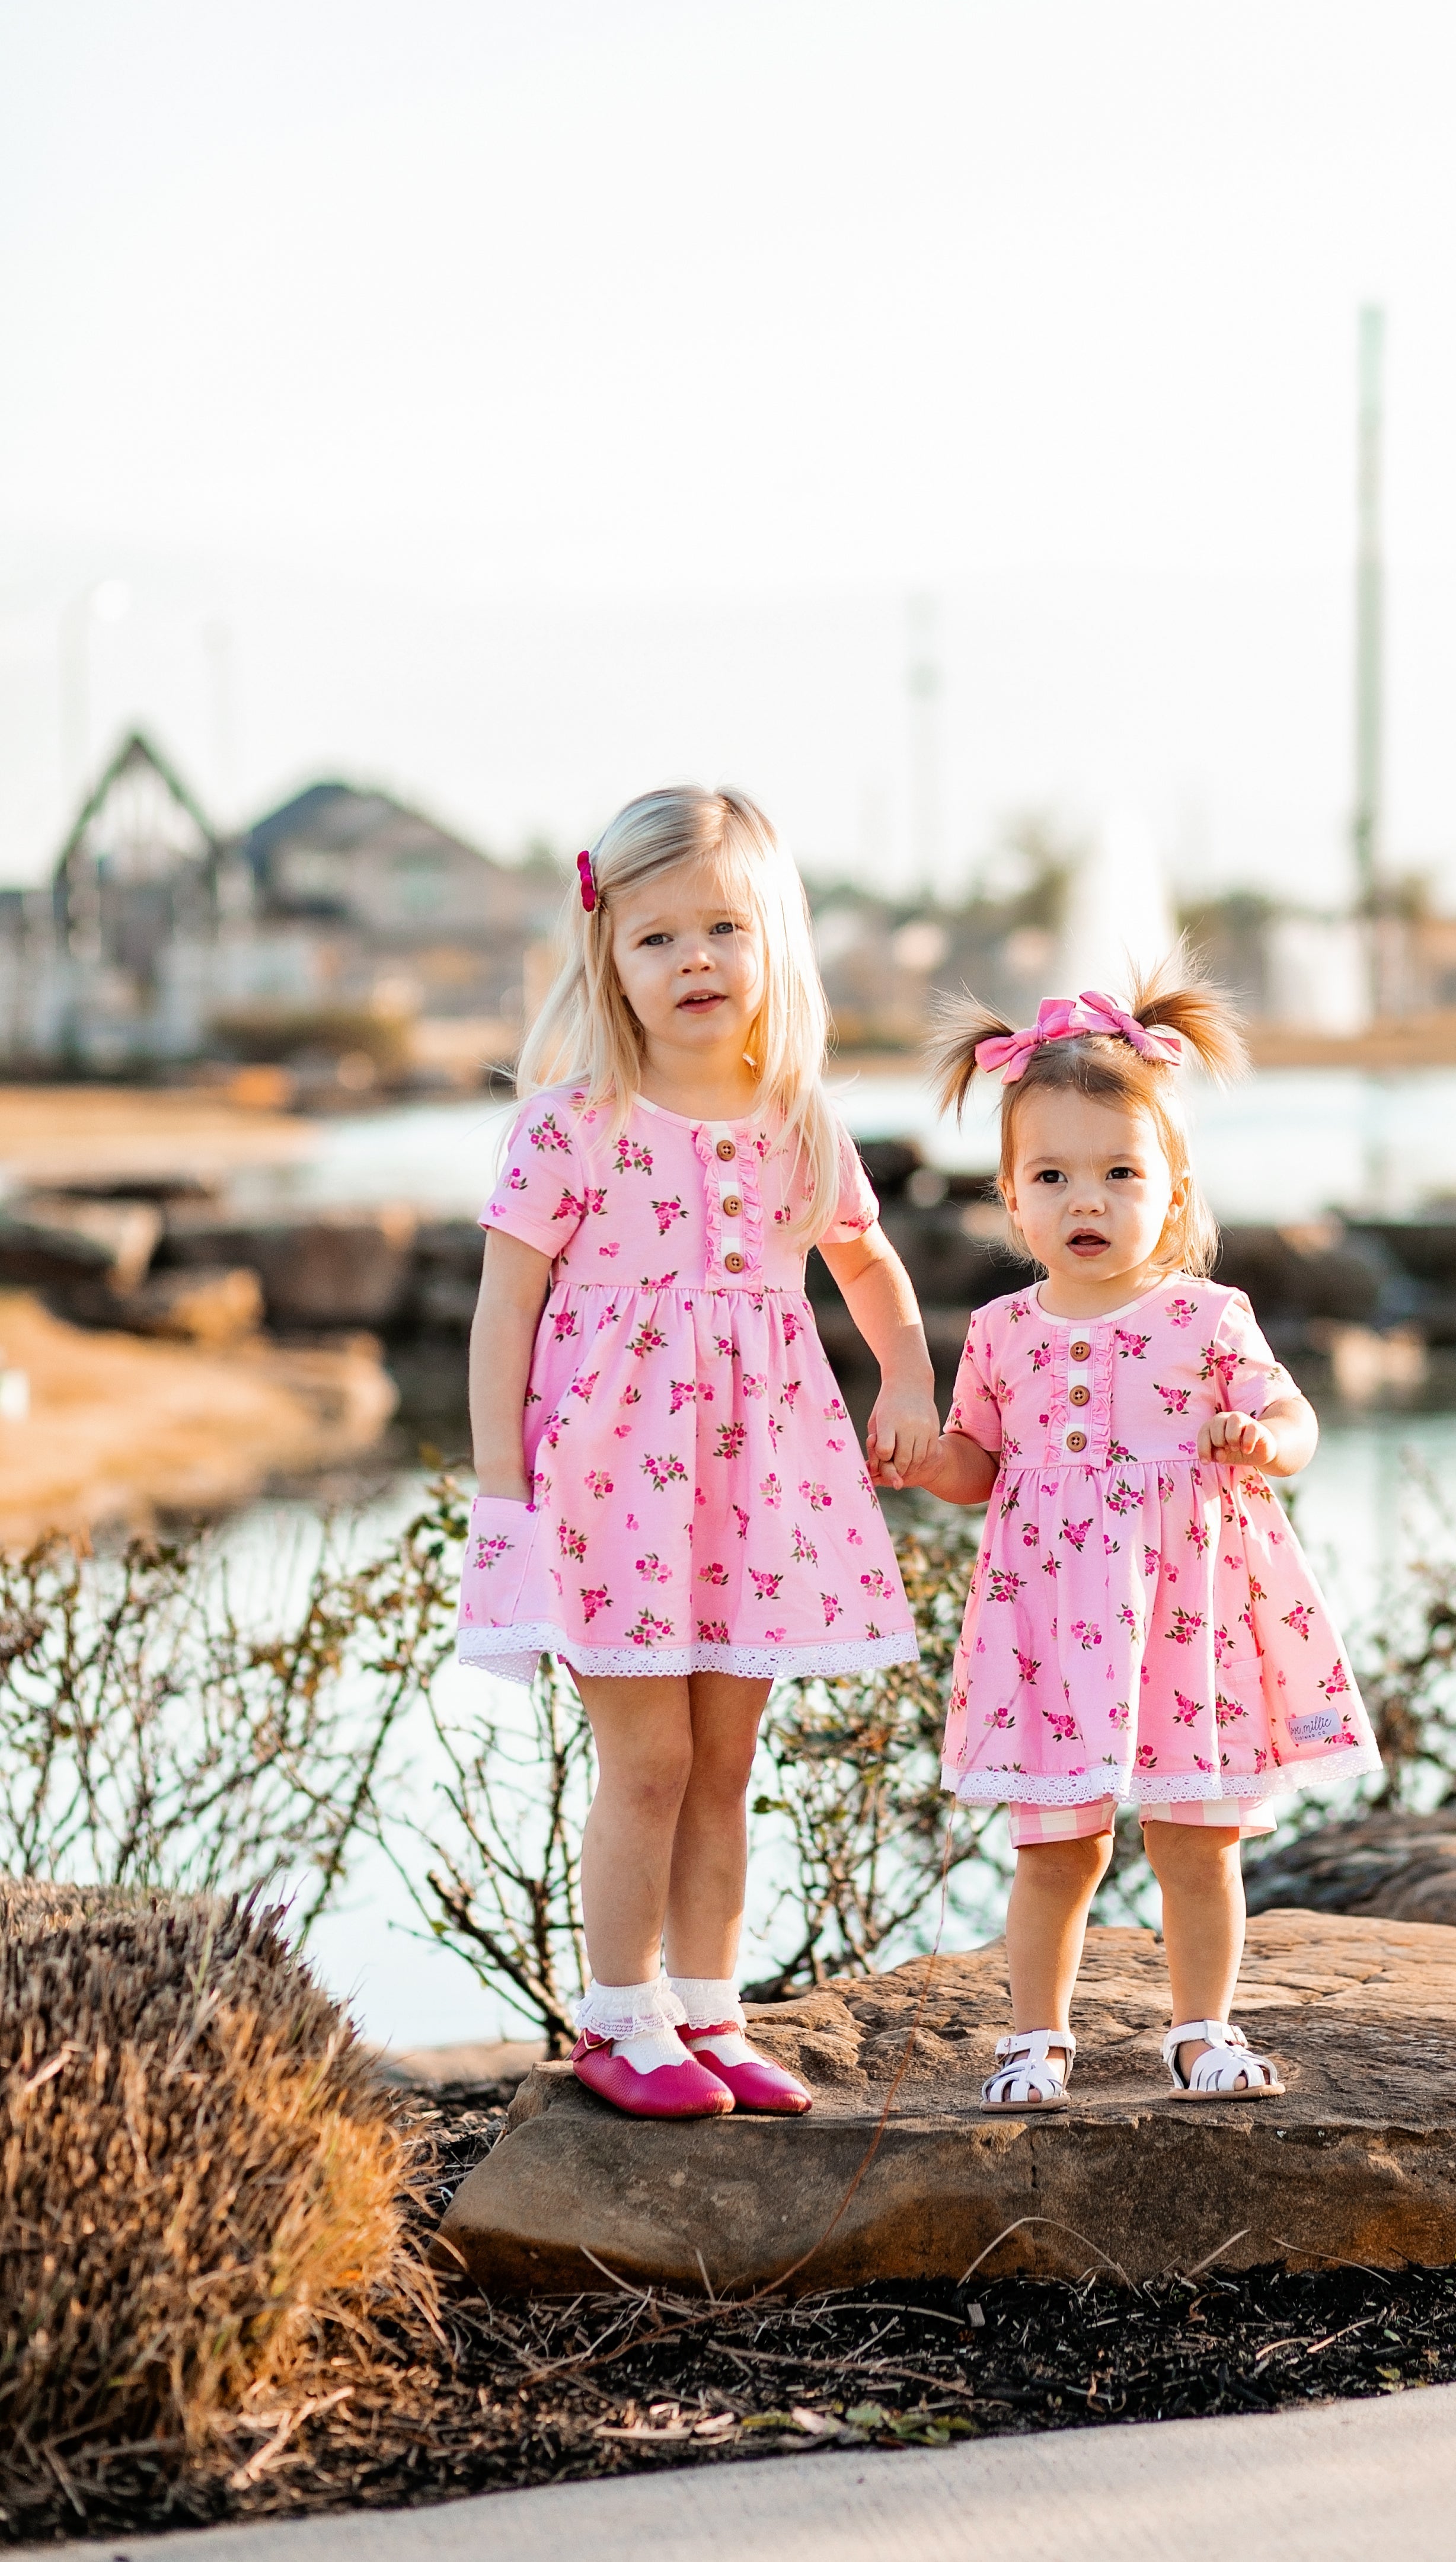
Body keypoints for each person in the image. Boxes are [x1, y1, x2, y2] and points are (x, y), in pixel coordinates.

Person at [459, 786, 936, 2119]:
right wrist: (501, 1488)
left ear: (774, 938)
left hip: (753, 1487)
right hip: (609, 1490)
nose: (695, 962)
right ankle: (619, 2017)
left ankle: (710, 2010)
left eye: (723, 927)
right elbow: (504, 1311)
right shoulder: (570, 1123)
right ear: (606, 952)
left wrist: (905, 1373)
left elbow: (865, 1257)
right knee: (650, 1761)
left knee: (726, 1762)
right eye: (657, 936)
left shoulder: (795, 1115)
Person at [885, 973, 1380, 2107]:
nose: (1085, 1199)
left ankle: (1202, 2029)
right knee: (1058, 1848)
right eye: (1051, 1176)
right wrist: (919, 1458)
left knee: (1196, 1841)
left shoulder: (1207, 1317)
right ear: (1012, 1200)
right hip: (1052, 1624)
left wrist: (1262, 1440)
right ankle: (1035, 2039)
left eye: (1118, 1172)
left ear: (1172, 1188)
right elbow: (977, 1466)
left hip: (1186, 1615)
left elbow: (1295, 1419)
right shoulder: (1002, 1331)